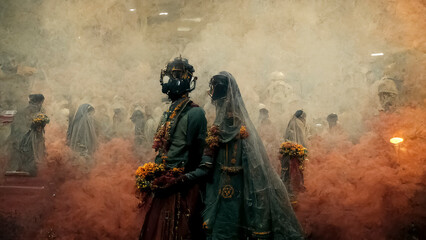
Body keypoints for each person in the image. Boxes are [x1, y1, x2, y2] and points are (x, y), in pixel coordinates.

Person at [202, 71, 304, 239]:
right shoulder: (217, 126)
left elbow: (255, 168)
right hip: (219, 186)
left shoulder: (243, 130)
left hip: (240, 189)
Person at [139, 57, 207, 240]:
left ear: (185, 79)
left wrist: (178, 180)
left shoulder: (195, 113)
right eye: (168, 75)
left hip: (181, 188)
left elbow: (197, 155)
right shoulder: (169, 110)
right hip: (164, 183)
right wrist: (156, 173)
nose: (168, 80)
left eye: (174, 75)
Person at [7, 94, 45, 173]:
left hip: (19, 139)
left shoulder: (22, 111)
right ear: (39, 102)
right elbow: (37, 126)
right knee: (31, 157)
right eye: (41, 103)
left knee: (21, 156)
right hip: (29, 138)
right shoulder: (36, 111)